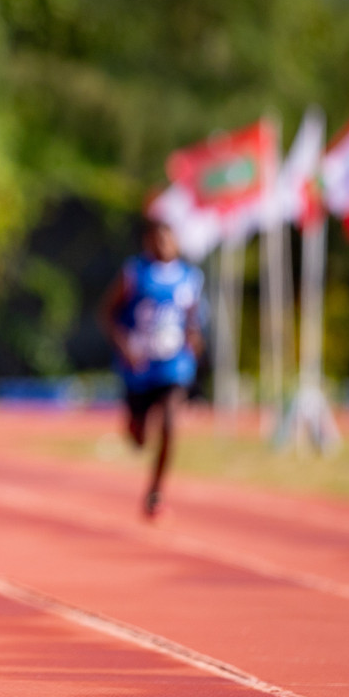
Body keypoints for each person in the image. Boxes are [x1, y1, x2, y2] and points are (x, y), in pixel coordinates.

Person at [98, 216, 204, 520]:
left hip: (173, 363)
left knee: (171, 423)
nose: (163, 245)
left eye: (168, 239)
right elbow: (108, 314)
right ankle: (134, 424)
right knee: (139, 436)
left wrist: (194, 342)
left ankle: (155, 492)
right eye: (157, 239)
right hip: (139, 364)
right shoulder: (134, 273)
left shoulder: (189, 277)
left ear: (177, 242)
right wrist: (125, 346)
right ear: (148, 242)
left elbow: (193, 319)